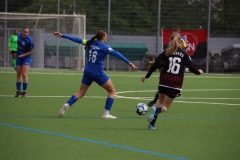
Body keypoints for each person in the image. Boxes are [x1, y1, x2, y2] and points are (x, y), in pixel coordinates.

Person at [53, 30, 137, 119]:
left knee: (81, 92)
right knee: (112, 91)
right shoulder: (104, 47)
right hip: (97, 73)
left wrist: (63, 35)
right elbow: (117, 53)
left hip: (87, 71)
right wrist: (129, 63)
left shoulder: (90, 42)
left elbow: (77, 39)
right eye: (106, 36)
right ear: (103, 37)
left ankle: (67, 104)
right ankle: (106, 114)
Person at [141, 32, 204, 130]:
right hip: (175, 82)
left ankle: (151, 125)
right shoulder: (184, 54)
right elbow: (192, 68)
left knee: (160, 102)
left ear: (170, 41)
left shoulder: (166, 52)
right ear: (180, 42)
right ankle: (155, 111)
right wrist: (199, 72)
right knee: (165, 106)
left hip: (163, 80)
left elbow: (155, 65)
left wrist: (147, 76)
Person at [147, 26, 188, 107]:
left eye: (176, 32)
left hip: (178, 58)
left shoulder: (181, 38)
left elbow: (184, 46)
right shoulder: (172, 38)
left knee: (178, 74)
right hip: (170, 57)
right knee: (164, 78)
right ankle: (156, 99)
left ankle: (177, 92)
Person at [15, 27, 34, 98]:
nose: (25, 33)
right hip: (19, 56)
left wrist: (24, 54)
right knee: (18, 73)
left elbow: (32, 51)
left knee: (24, 74)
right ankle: (18, 91)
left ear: (28, 33)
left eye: (27, 32)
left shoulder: (30, 40)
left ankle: (24, 92)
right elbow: (16, 33)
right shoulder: (19, 35)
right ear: (22, 31)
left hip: (27, 57)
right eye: (24, 32)